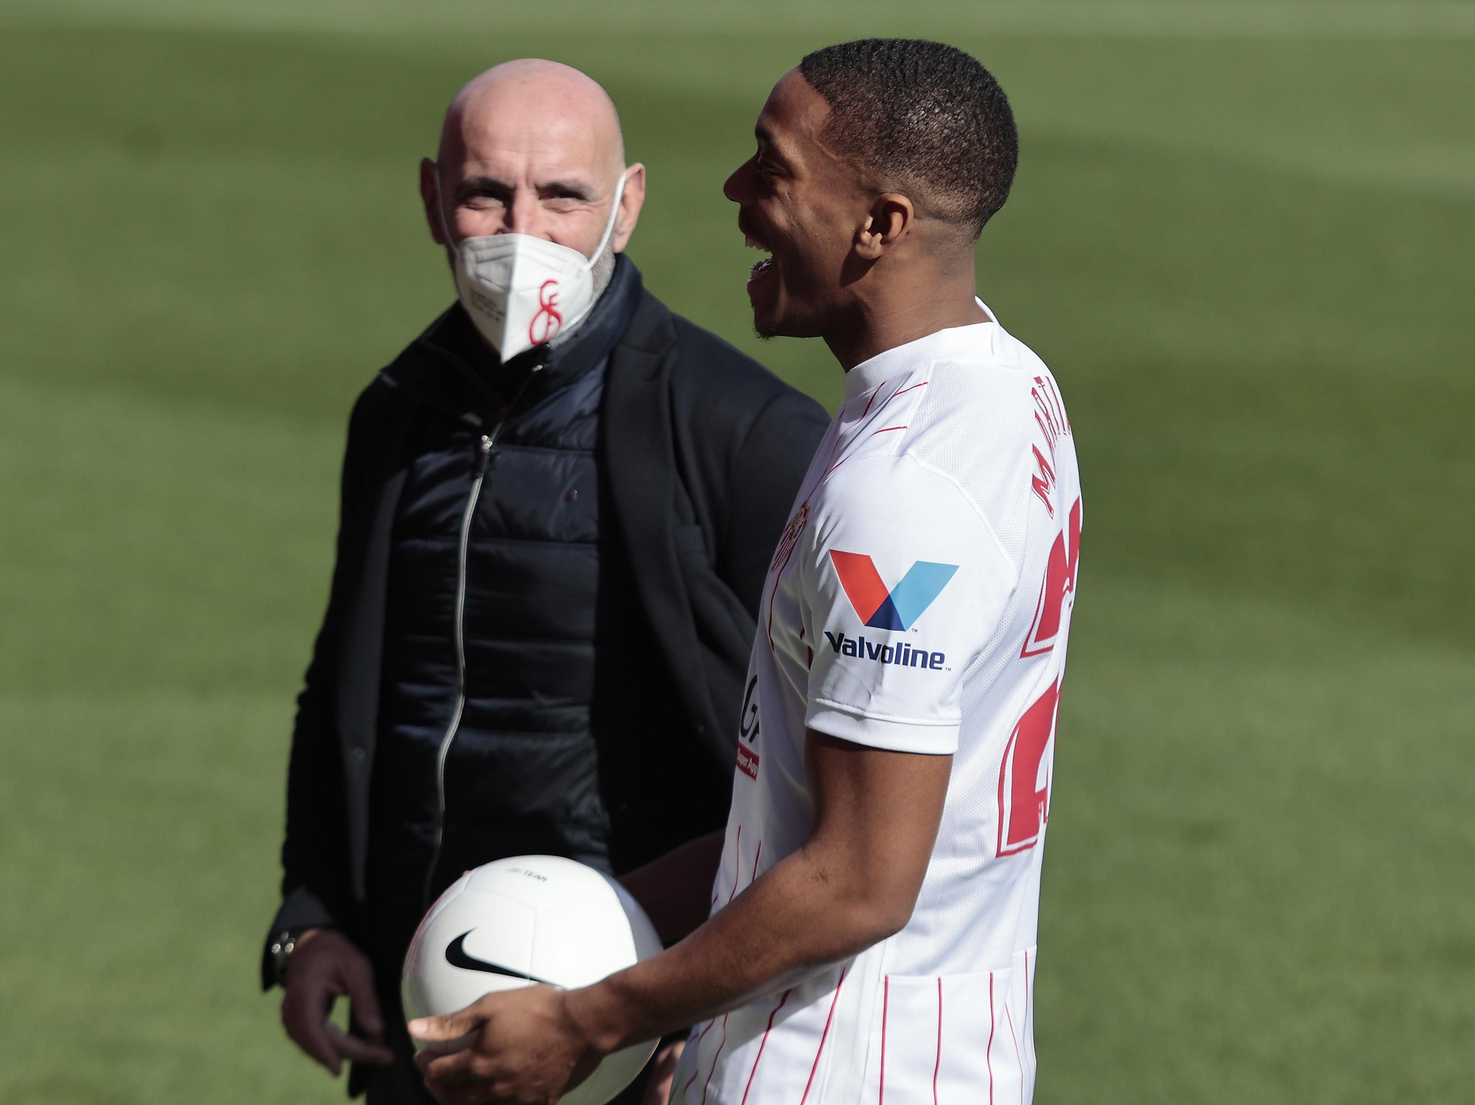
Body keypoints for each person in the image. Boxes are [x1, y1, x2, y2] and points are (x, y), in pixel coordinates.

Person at [407, 38, 1082, 1105]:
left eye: (771, 172)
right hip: (952, 1053)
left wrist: (592, 1019)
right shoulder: (1009, 390)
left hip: (835, 1072)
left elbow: (858, 881)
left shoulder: (899, 498)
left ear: (881, 222)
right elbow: (808, 807)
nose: (731, 194)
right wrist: (598, 933)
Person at [261, 59, 830, 1104]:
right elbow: (344, 688)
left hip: (623, 1026)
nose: (521, 230)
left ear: (627, 207)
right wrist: (317, 912)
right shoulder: (396, 411)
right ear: (434, 201)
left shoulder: (746, 436)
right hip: (423, 1007)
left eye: (561, 195)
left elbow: (802, 784)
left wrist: (679, 1013)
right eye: (486, 193)